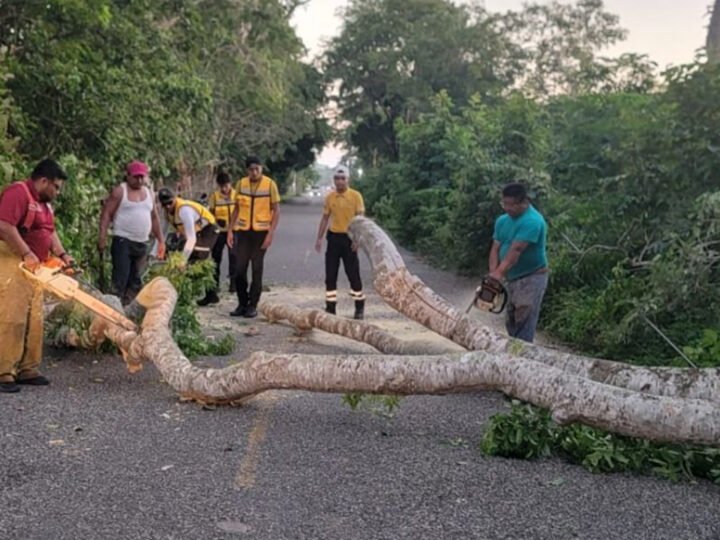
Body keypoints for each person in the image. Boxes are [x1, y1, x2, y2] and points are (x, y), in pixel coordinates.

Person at [0, 159, 74, 393]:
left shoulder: (44, 204)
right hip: (12, 260)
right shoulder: (18, 193)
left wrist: (63, 255)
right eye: (57, 187)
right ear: (43, 181)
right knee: (12, 316)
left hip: (36, 266)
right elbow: (4, 226)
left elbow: (49, 232)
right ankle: (3, 371)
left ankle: (28, 368)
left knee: (35, 318)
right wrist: (27, 252)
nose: (58, 192)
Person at [488, 182, 548, 343]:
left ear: (524, 202)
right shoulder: (502, 221)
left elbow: (516, 250)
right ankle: (514, 350)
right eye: (504, 204)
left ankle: (523, 353)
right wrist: (493, 273)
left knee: (524, 315)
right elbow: (495, 248)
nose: (507, 208)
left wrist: (499, 273)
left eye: (511, 205)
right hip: (512, 277)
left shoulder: (533, 221)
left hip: (532, 276)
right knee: (512, 319)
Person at [98, 160, 165, 305]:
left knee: (136, 280)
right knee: (120, 279)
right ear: (128, 176)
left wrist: (161, 240)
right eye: (136, 177)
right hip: (123, 241)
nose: (139, 180)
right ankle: (115, 309)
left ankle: (129, 309)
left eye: (142, 177)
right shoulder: (120, 191)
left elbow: (154, 217)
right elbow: (106, 214)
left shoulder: (148, 194)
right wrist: (102, 237)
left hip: (141, 243)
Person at [227, 156, 280, 318]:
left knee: (257, 268)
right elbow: (236, 209)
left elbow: (276, 210)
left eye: (257, 169)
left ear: (261, 169)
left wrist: (270, 234)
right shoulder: (241, 184)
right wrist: (230, 230)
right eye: (251, 169)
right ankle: (242, 303)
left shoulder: (270, 185)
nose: (254, 172)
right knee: (239, 269)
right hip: (243, 232)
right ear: (247, 170)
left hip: (261, 233)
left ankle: (252, 305)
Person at [315, 166, 366, 319]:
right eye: (337, 178)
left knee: (353, 274)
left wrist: (358, 239)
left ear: (348, 180)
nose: (340, 181)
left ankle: (359, 306)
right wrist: (319, 238)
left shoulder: (356, 196)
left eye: (343, 178)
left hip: (349, 239)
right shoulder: (330, 197)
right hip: (334, 238)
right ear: (334, 180)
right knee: (330, 275)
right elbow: (325, 218)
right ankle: (331, 308)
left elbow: (360, 220)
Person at [198, 173, 238, 306]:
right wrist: (216, 221)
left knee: (234, 257)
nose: (225, 189)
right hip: (219, 232)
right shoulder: (214, 196)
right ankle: (215, 286)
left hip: (234, 230)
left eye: (226, 186)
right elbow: (210, 213)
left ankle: (233, 283)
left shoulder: (237, 195)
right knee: (216, 259)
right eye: (222, 186)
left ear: (230, 184)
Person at [157, 187, 218, 264]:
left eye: (170, 202)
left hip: (208, 229)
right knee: (178, 248)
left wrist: (182, 261)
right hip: (195, 231)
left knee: (197, 253)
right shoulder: (166, 212)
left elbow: (191, 239)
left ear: (175, 198)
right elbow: (162, 234)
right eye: (164, 204)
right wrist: (154, 253)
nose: (168, 206)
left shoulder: (184, 210)